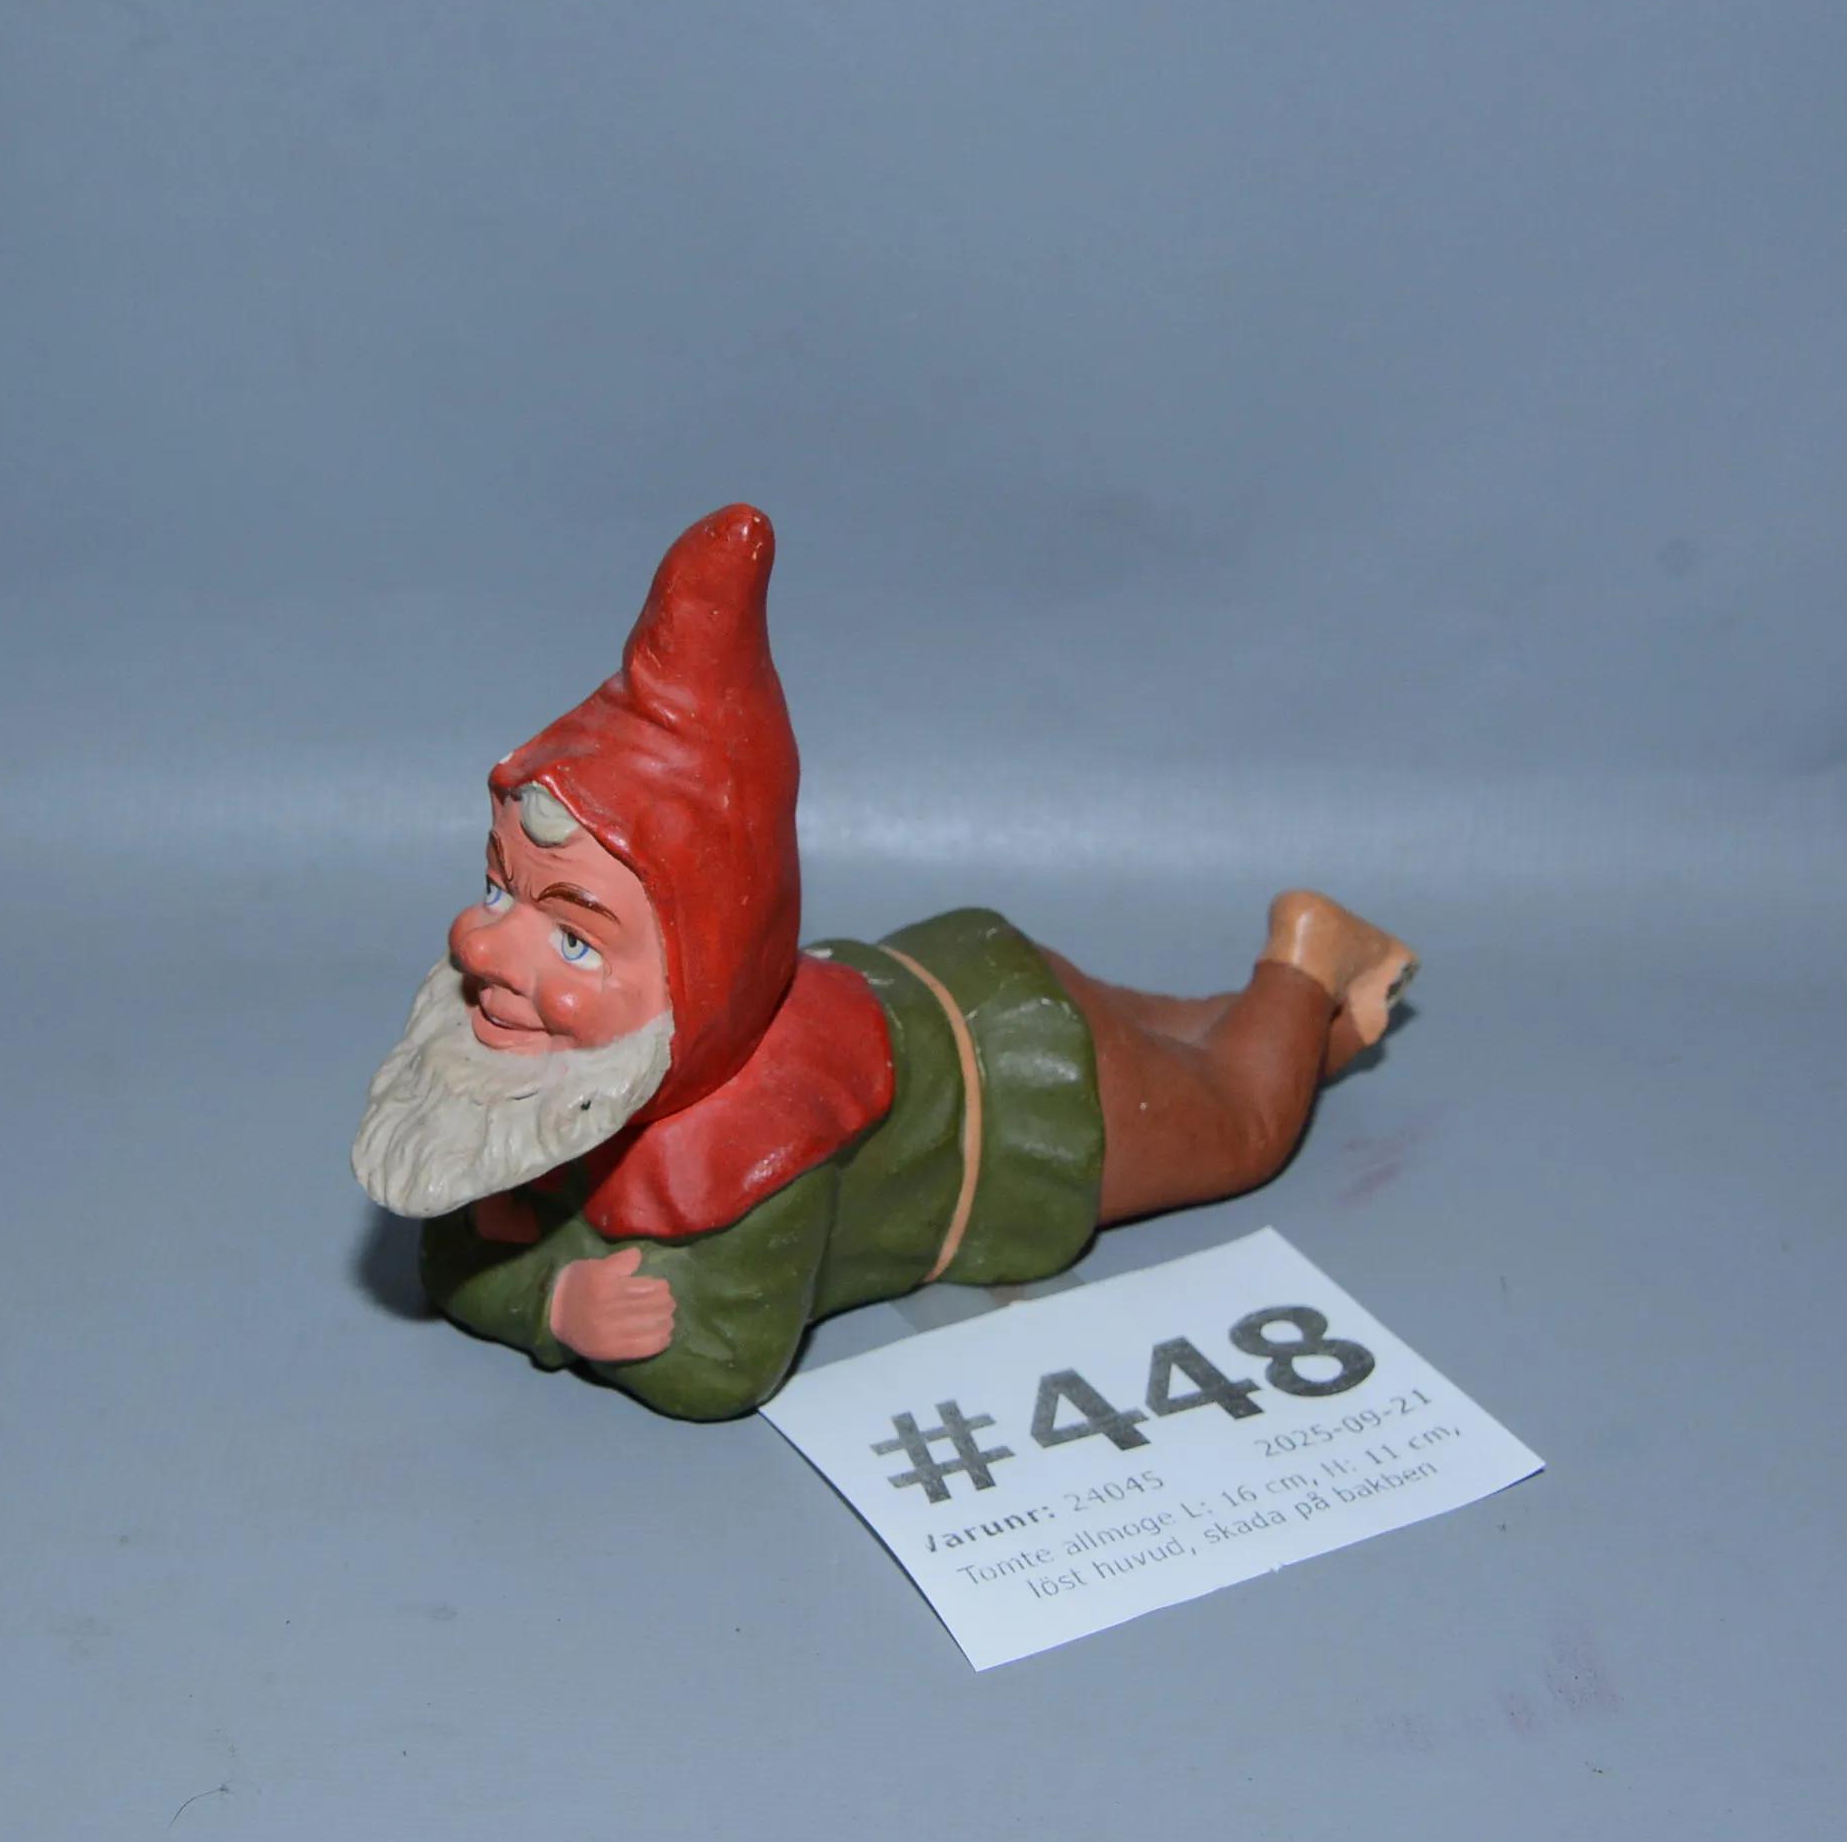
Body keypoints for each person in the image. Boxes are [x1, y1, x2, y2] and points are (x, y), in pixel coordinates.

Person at [352, 504, 1415, 1419]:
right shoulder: (535, 1083)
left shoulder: (746, 1155)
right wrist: (555, 1299)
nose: (477, 943)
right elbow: (449, 1245)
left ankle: (1307, 957)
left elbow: (718, 1368)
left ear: (702, 980)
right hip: (953, 977)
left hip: (1021, 1096)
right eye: (500, 887)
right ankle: (1314, 1021)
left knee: (1237, 1124)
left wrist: (557, 1307)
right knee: (1199, 1040)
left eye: (574, 937)